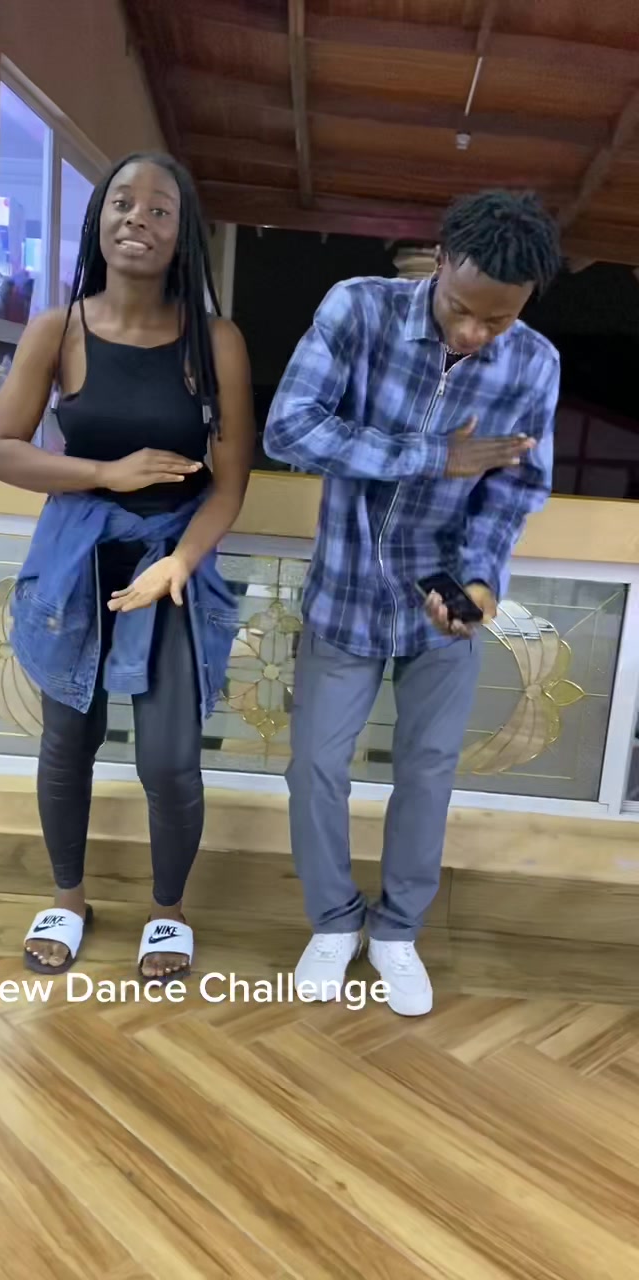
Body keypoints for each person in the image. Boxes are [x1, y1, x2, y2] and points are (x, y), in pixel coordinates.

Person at [263, 189, 562, 1016]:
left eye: (498, 320)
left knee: (427, 773)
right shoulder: (359, 310)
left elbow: (514, 491)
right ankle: (334, 921)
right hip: (347, 589)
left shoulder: (534, 363)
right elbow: (288, 428)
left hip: (443, 606)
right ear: (441, 259)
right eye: (462, 308)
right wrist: (431, 455)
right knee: (315, 767)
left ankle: (397, 931)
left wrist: (482, 583)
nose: (474, 333)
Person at [0, 151, 254, 982]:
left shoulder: (216, 341)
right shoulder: (56, 330)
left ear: (182, 234)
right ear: (99, 218)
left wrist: (181, 563)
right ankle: (68, 898)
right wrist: (105, 472)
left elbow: (231, 479)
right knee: (69, 738)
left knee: (169, 756)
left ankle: (169, 911)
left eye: (160, 209)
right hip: (78, 558)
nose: (139, 218)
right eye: (123, 203)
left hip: (172, 561)